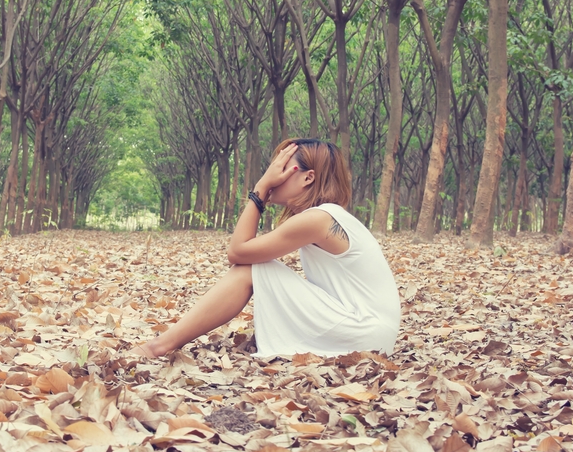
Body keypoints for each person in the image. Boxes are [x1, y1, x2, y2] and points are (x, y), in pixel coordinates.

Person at [133, 139, 401, 358]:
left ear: (308, 178)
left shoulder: (318, 219)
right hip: (371, 331)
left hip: (365, 332)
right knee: (256, 267)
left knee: (249, 269)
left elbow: (237, 252)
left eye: (283, 167)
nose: (275, 174)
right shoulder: (326, 216)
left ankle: (158, 346)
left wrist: (260, 188)